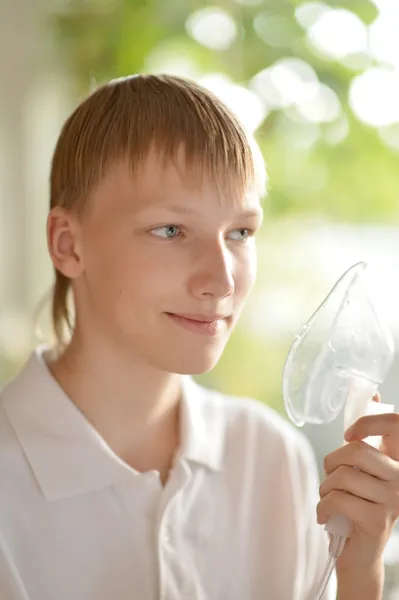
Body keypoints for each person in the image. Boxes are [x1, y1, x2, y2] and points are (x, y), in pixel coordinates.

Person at [0, 74, 398, 600]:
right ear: (69, 244)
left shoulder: (270, 458)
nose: (222, 280)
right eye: (170, 230)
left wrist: (359, 568)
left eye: (240, 232)